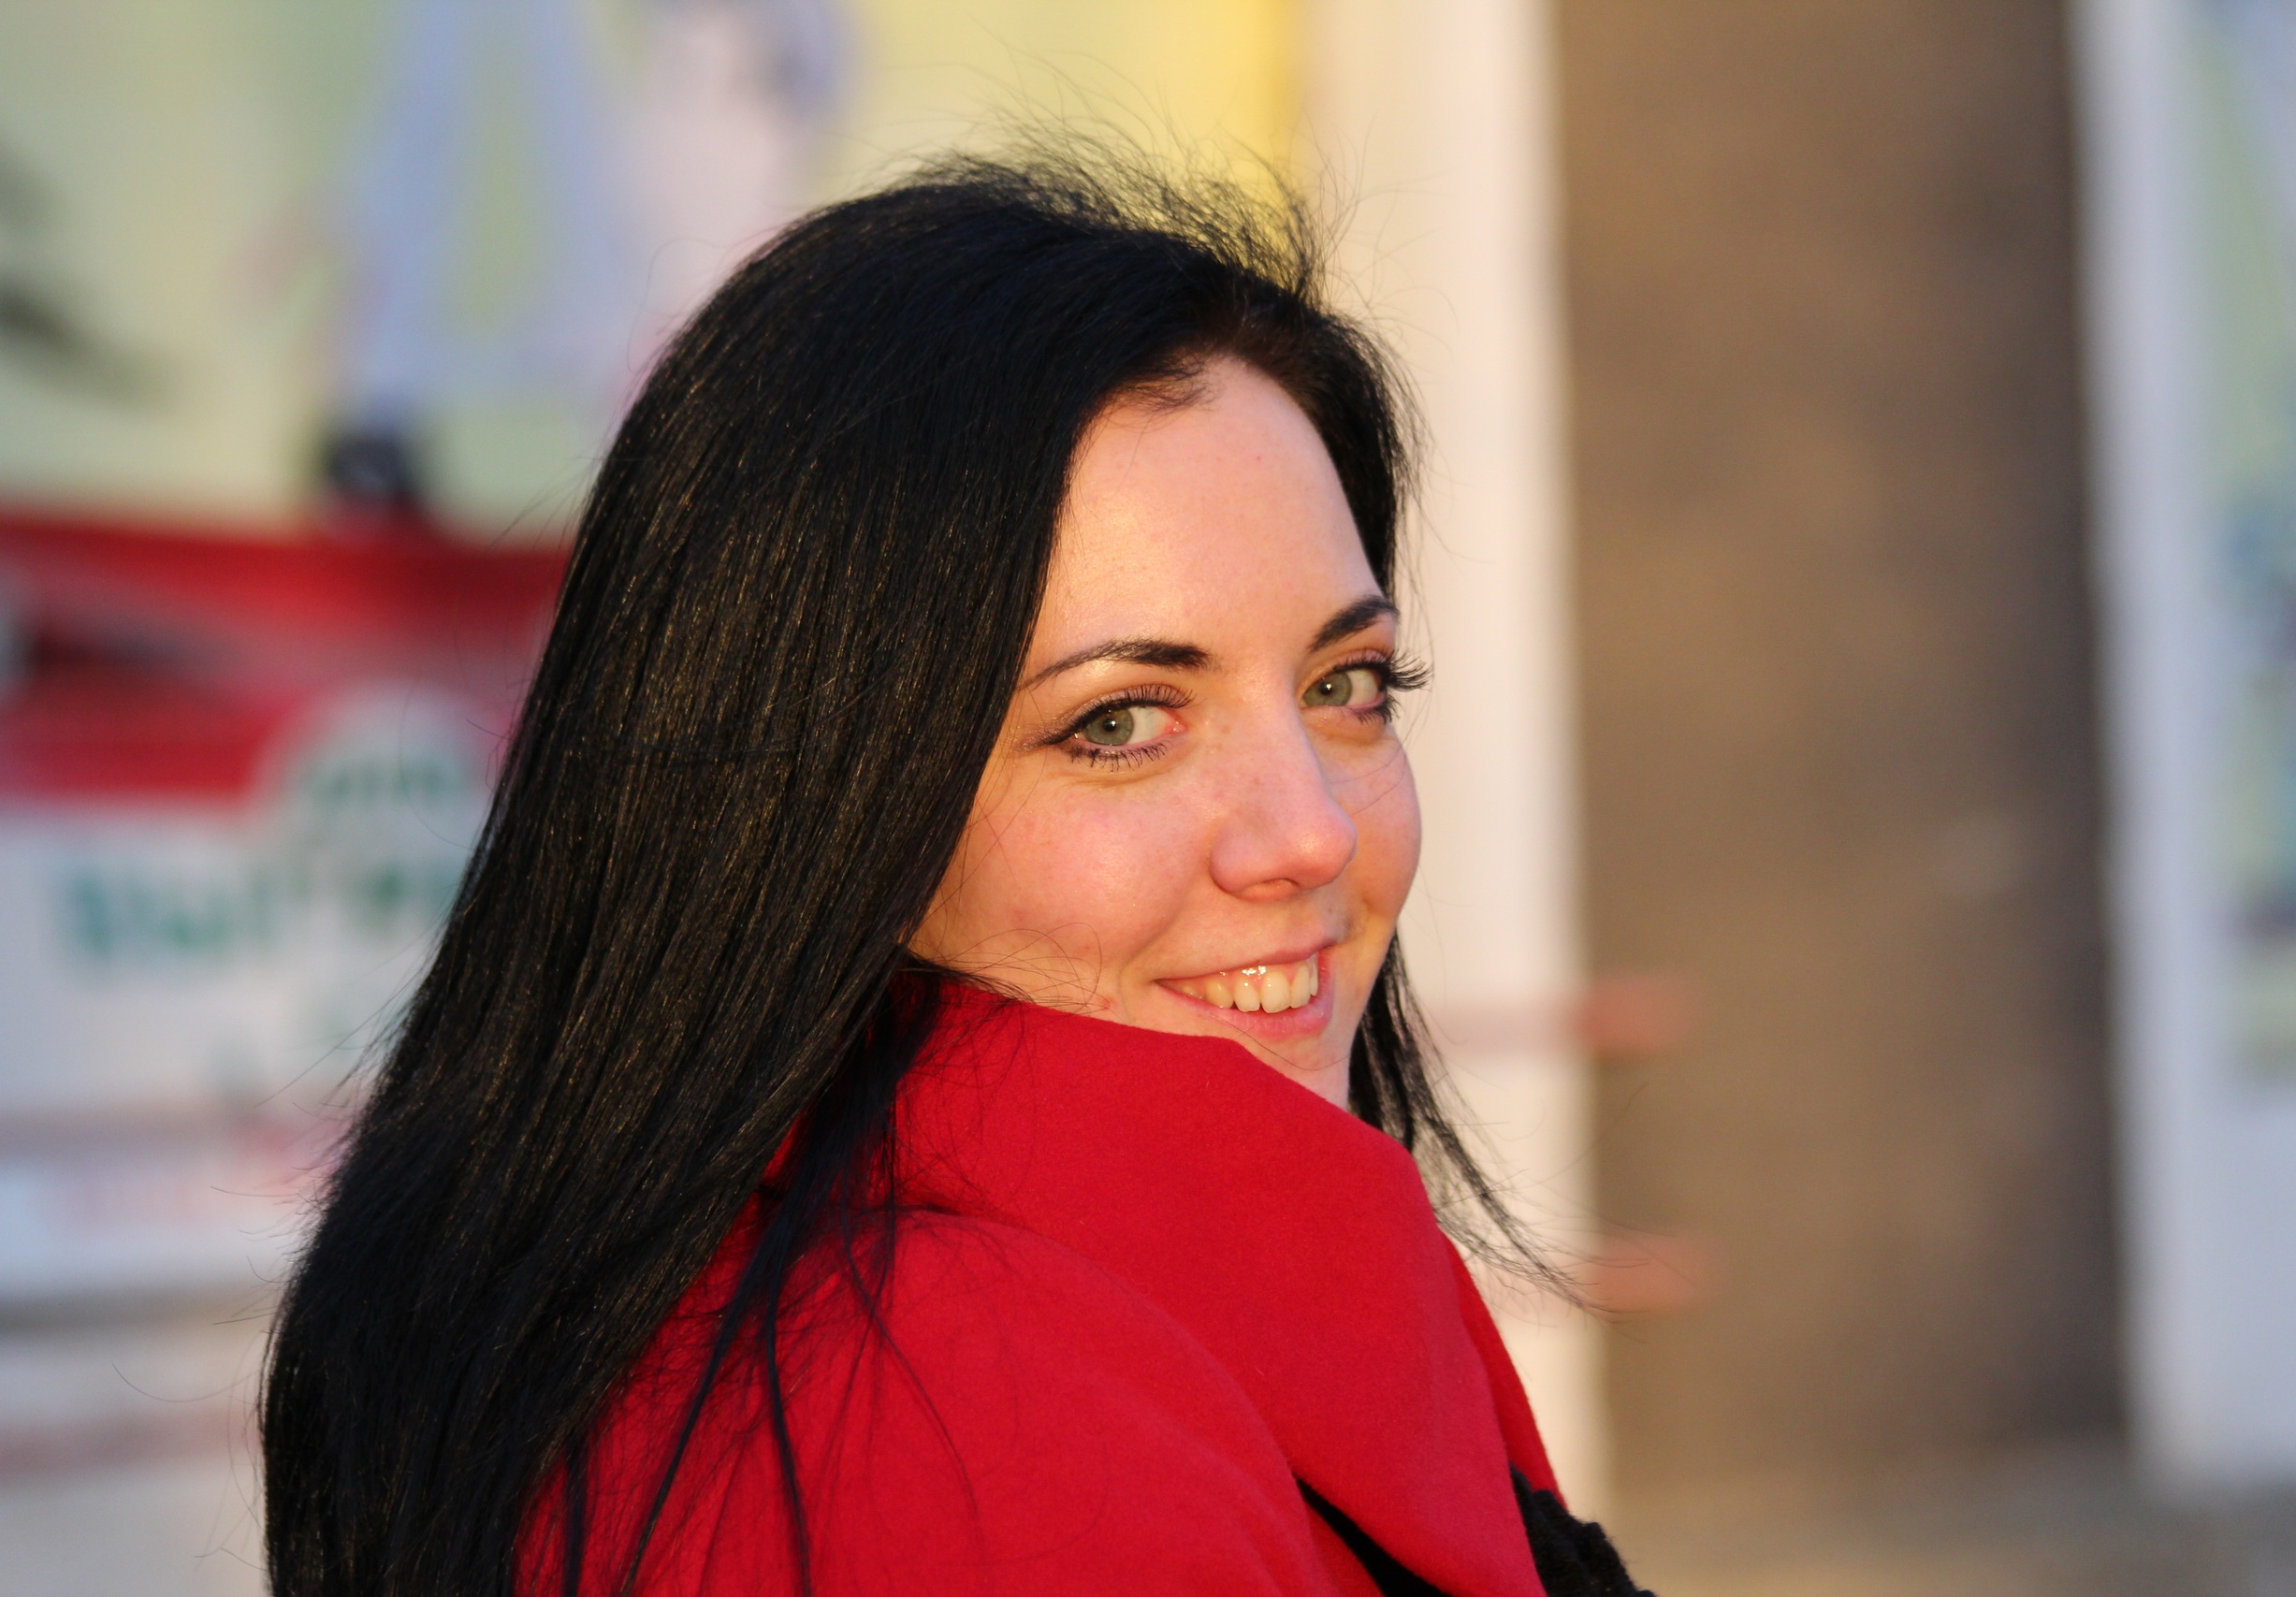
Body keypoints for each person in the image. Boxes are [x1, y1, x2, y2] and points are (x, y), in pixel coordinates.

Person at [263, 151, 1649, 1597]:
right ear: (813, 799)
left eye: (1345, 686)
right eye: (1121, 723)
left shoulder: (1216, 1289)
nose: (1312, 834)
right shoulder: (967, 1421)